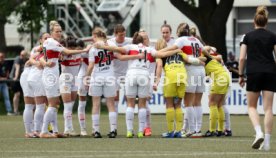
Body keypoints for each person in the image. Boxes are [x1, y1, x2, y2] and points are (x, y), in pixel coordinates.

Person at [88, 28, 144, 138]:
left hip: (97, 77)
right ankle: (113, 129)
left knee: (96, 104)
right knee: (111, 104)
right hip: (109, 76)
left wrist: (85, 77)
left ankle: (96, 131)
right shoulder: (111, 44)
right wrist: (137, 56)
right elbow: (120, 56)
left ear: (95, 36)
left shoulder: (93, 47)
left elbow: (90, 66)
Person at [39, 20, 90, 138]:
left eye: (61, 31)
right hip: (50, 76)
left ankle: (55, 131)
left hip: (53, 75)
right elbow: (67, 51)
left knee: (55, 103)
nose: (59, 33)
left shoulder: (51, 42)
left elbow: (48, 52)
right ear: (51, 32)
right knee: (53, 104)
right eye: (57, 31)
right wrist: (84, 50)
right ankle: (43, 131)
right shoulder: (51, 41)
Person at [239, 6, 276, 151]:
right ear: (266, 22)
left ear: (254, 22)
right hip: (270, 72)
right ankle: (266, 143)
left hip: (253, 72)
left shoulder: (247, 36)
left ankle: (258, 132)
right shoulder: (273, 36)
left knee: (252, 106)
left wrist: (241, 75)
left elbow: (242, 58)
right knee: (268, 109)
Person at [160, 23, 205, 137]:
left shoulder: (181, 40)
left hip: (191, 70)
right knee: (198, 102)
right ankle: (198, 129)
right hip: (201, 70)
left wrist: (161, 52)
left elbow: (173, 49)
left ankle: (191, 130)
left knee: (188, 103)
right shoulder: (196, 39)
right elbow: (204, 51)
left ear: (178, 32)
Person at [200, 46, 230, 137]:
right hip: (225, 76)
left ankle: (212, 130)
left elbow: (203, 50)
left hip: (219, 78)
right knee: (219, 105)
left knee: (212, 103)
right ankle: (220, 130)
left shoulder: (203, 56)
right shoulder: (210, 57)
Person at [27, 32, 50, 137]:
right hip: (37, 78)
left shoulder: (40, 49)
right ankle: (37, 130)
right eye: (45, 38)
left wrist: (33, 62)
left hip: (34, 78)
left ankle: (40, 129)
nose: (48, 40)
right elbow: (36, 61)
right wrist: (37, 63)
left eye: (49, 38)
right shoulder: (40, 48)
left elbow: (31, 59)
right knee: (40, 105)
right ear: (40, 40)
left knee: (41, 104)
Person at [60, 36, 81, 137]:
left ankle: (68, 128)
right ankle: (68, 129)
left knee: (70, 106)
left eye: (74, 47)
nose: (72, 49)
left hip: (75, 80)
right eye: (70, 47)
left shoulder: (78, 54)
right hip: (65, 80)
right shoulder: (64, 54)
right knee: (67, 105)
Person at [10, 50, 28, 115]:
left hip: (22, 79)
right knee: (17, 94)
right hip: (16, 79)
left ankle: (26, 110)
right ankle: (15, 111)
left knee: (25, 94)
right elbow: (17, 68)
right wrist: (16, 77)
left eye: (23, 55)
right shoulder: (18, 59)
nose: (21, 56)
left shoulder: (27, 60)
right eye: (21, 54)